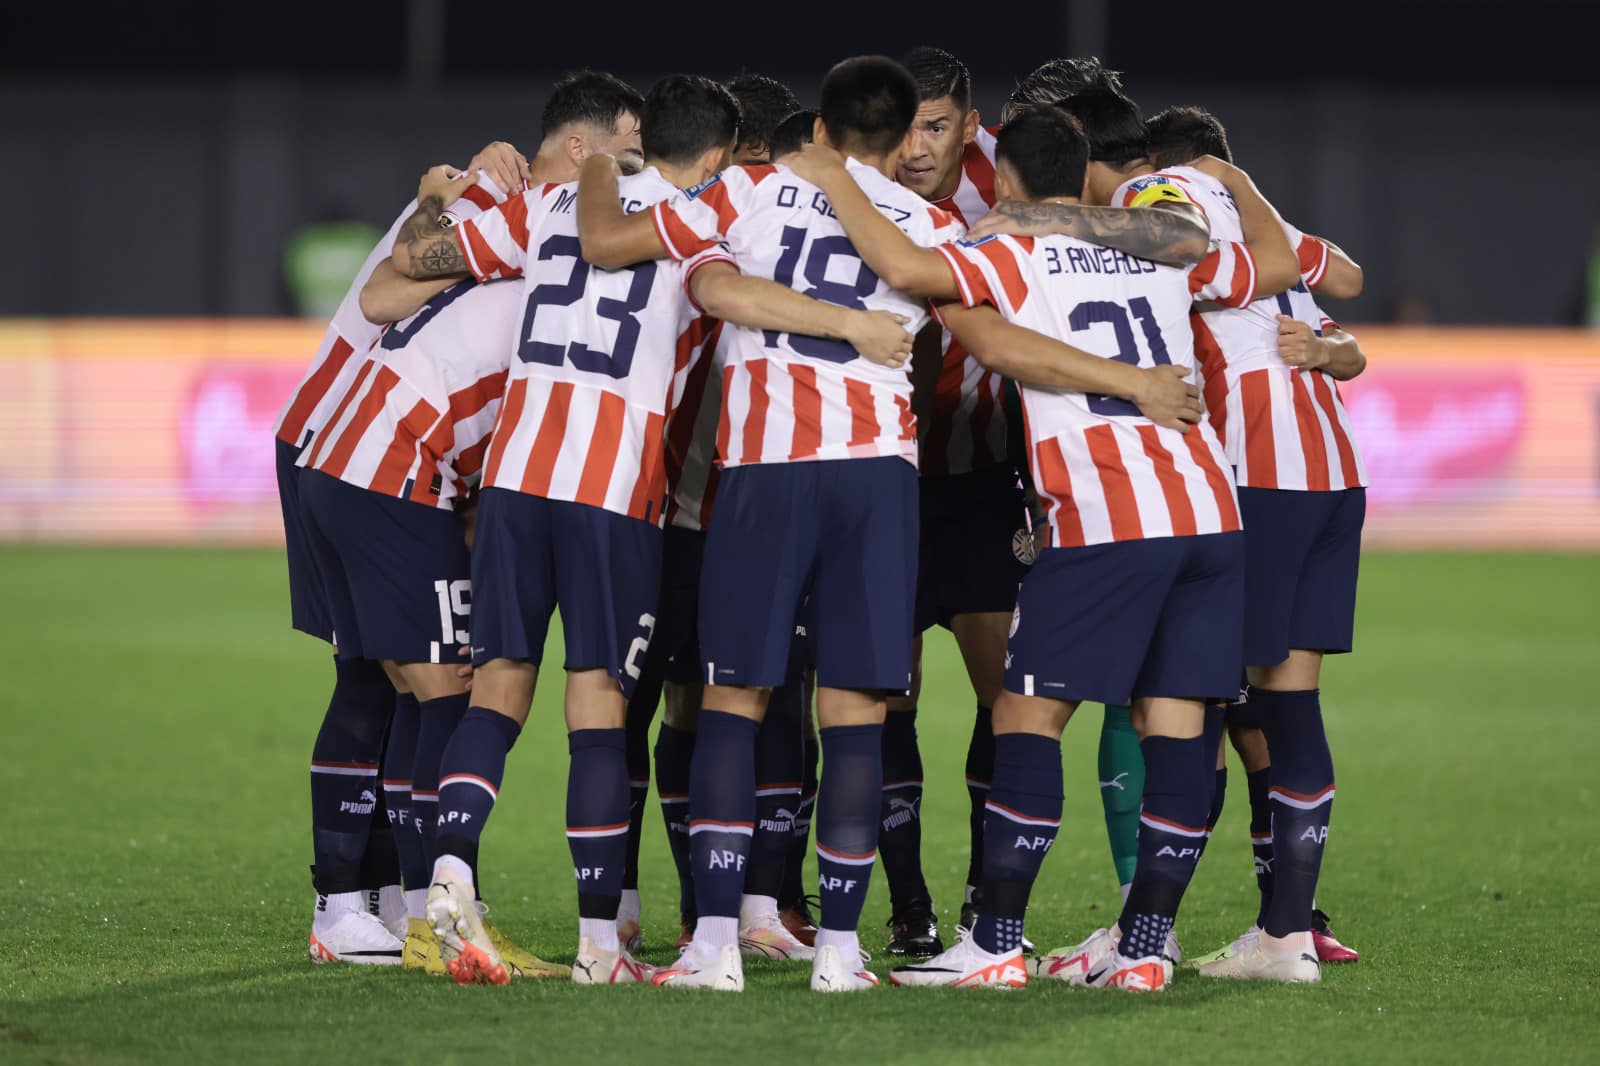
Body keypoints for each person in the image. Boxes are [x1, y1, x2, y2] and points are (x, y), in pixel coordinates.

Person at [390, 72, 914, 987]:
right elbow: (720, 293)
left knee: (496, 691)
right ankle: (600, 946)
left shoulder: (550, 200)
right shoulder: (705, 217)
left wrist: (441, 196)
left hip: (515, 479)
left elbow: (406, 270)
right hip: (612, 491)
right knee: (596, 709)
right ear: (716, 156)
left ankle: (449, 878)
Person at [780, 103, 1299, 991]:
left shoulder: (1005, 247)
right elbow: (1279, 262)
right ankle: (1144, 950)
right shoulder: (1160, 242)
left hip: (1106, 514)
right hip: (1208, 510)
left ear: (1005, 178)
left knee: (1026, 716)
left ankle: (994, 943)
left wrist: (833, 179)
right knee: (1176, 725)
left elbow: (903, 265)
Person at [576, 54, 959, 993]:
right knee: (858, 713)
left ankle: (712, 946)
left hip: (766, 476)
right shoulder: (933, 226)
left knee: (733, 703)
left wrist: (594, 164)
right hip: (879, 474)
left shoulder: (748, 189)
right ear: (908, 136)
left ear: (818, 128)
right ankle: (839, 950)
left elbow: (640, 258)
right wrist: (857, 325)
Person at [275, 131, 529, 967]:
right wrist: (441, 197)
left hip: (378, 443)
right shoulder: (477, 211)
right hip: (351, 440)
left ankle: (384, 898)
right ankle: (361, 902)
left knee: (393, 678)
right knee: (391, 676)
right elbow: (392, 295)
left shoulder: (486, 205)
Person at [1139, 104, 1370, 980]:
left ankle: (1150, 927)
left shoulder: (1199, 241)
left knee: (1195, 694)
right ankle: (1286, 931)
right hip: (1334, 481)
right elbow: (1344, 276)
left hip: (1256, 480)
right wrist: (1339, 352)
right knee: (1286, 704)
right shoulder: (1279, 241)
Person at [620, 73, 825, 961]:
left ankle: (761, 903)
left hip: (753, 500)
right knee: (678, 699)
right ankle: (676, 901)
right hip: (673, 504)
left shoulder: (771, 223)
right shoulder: (682, 225)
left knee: (764, 698)